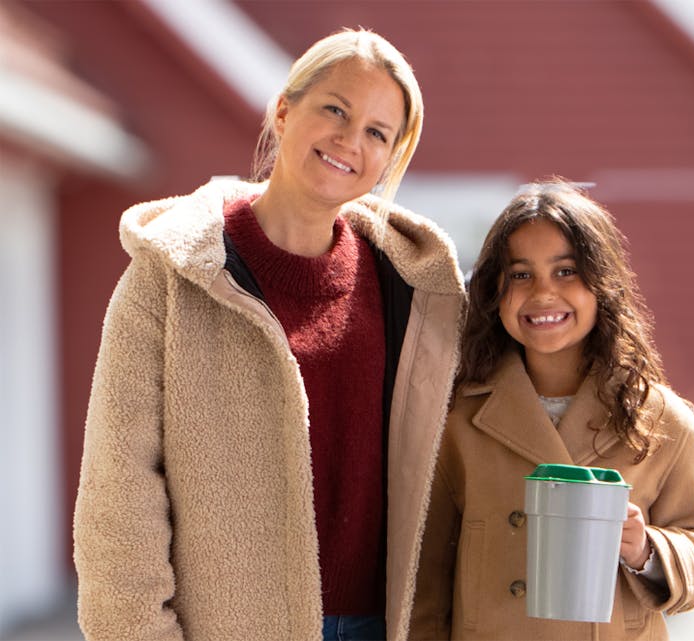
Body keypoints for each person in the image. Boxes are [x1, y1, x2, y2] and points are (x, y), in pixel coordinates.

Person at [73, 29, 465, 641]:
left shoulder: (415, 288)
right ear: (283, 112)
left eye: (376, 132)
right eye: (335, 109)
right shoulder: (171, 275)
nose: (349, 140)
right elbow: (118, 494)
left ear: (389, 158)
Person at [409, 179, 694, 640]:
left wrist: (645, 548)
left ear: (603, 285)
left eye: (566, 271)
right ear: (494, 291)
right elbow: (425, 578)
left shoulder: (660, 419)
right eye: (520, 274)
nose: (543, 292)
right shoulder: (457, 420)